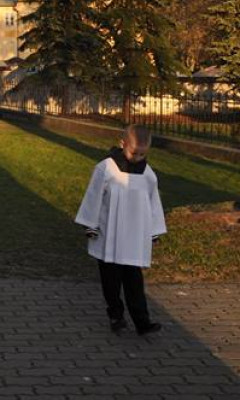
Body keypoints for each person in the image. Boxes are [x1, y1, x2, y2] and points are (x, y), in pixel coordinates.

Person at [75, 125, 166, 335]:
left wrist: (153, 230)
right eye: (134, 153)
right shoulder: (106, 168)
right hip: (109, 234)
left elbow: (153, 202)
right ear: (122, 144)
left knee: (135, 282)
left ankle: (142, 322)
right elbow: (93, 196)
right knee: (111, 281)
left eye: (143, 154)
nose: (138, 158)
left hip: (133, 238)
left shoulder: (148, 174)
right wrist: (91, 224)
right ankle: (116, 316)